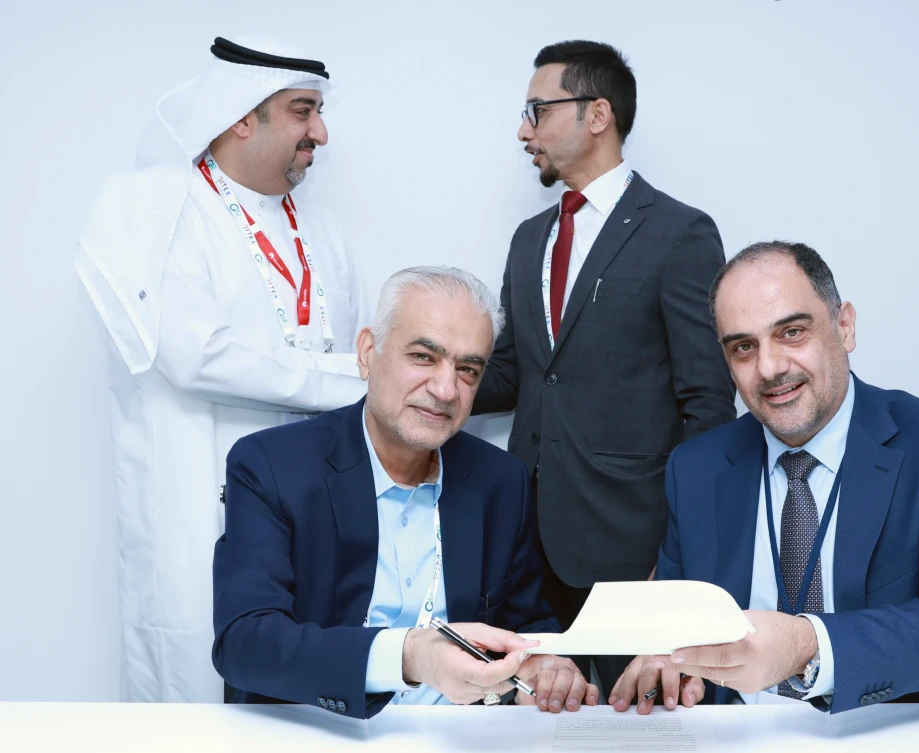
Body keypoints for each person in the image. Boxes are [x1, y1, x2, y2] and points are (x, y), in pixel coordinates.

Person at [74, 35, 370, 702]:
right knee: (202, 700)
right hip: (200, 510)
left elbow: (356, 365)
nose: (320, 132)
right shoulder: (157, 208)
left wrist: (360, 375)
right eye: (302, 111)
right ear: (241, 115)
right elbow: (195, 354)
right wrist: (356, 375)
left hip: (317, 513)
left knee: (316, 690)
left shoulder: (324, 232)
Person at [611, 241, 919, 713]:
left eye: (791, 333)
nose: (769, 368)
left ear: (844, 327)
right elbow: (675, 621)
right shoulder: (695, 467)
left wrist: (808, 645)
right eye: (744, 347)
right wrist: (662, 655)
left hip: (898, 729)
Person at [213, 267, 598, 719]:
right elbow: (245, 642)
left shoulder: (500, 480)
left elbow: (528, 623)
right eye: (422, 356)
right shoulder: (271, 466)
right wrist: (410, 658)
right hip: (318, 731)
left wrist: (547, 666)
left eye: (468, 369)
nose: (445, 389)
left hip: (458, 737)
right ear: (368, 354)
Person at [472, 40, 736, 692]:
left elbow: (707, 402)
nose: (522, 129)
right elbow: (516, 374)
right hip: (527, 544)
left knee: (645, 724)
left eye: (537, 110)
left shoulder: (680, 234)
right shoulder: (529, 239)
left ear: (597, 115)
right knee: (532, 721)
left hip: (633, 549)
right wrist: (413, 375)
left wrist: (680, 553)